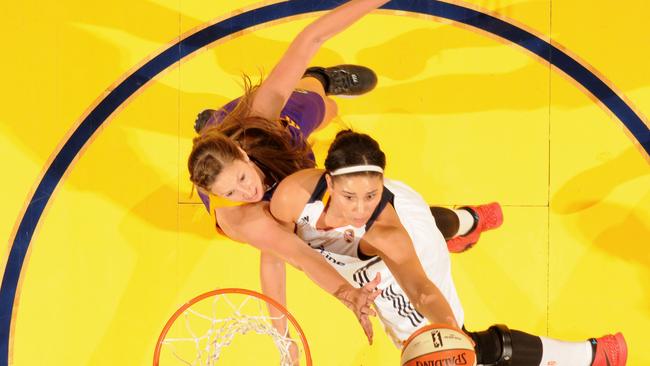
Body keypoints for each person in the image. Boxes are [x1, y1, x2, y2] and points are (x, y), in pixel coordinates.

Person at [268, 130, 627, 366]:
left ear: (382, 187)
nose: (360, 209)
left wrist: (452, 335)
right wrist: (279, 331)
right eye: (349, 197)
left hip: (409, 252)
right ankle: (470, 220)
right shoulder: (295, 196)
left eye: (371, 197)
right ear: (328, 181)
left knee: (449, 347)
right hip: (404, 214)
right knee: (423, 219)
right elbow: (275, 251)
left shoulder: (389, 235)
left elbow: (423, 291)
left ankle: (590, 355)